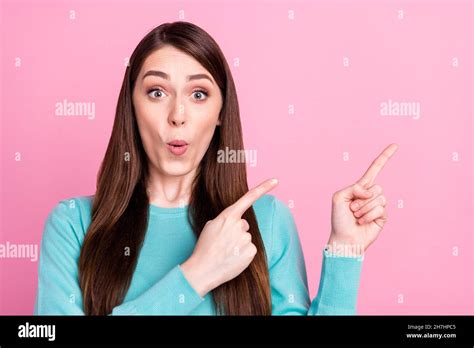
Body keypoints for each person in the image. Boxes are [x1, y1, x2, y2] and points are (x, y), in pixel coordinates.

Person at [34, 21, 398, 315]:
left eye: (198, 94)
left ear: (221, 112)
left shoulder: (267, 222)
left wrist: (345, 250)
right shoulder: (73, 223)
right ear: (131, 106)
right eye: (157, 92)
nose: (178, 116)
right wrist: (196, 274)